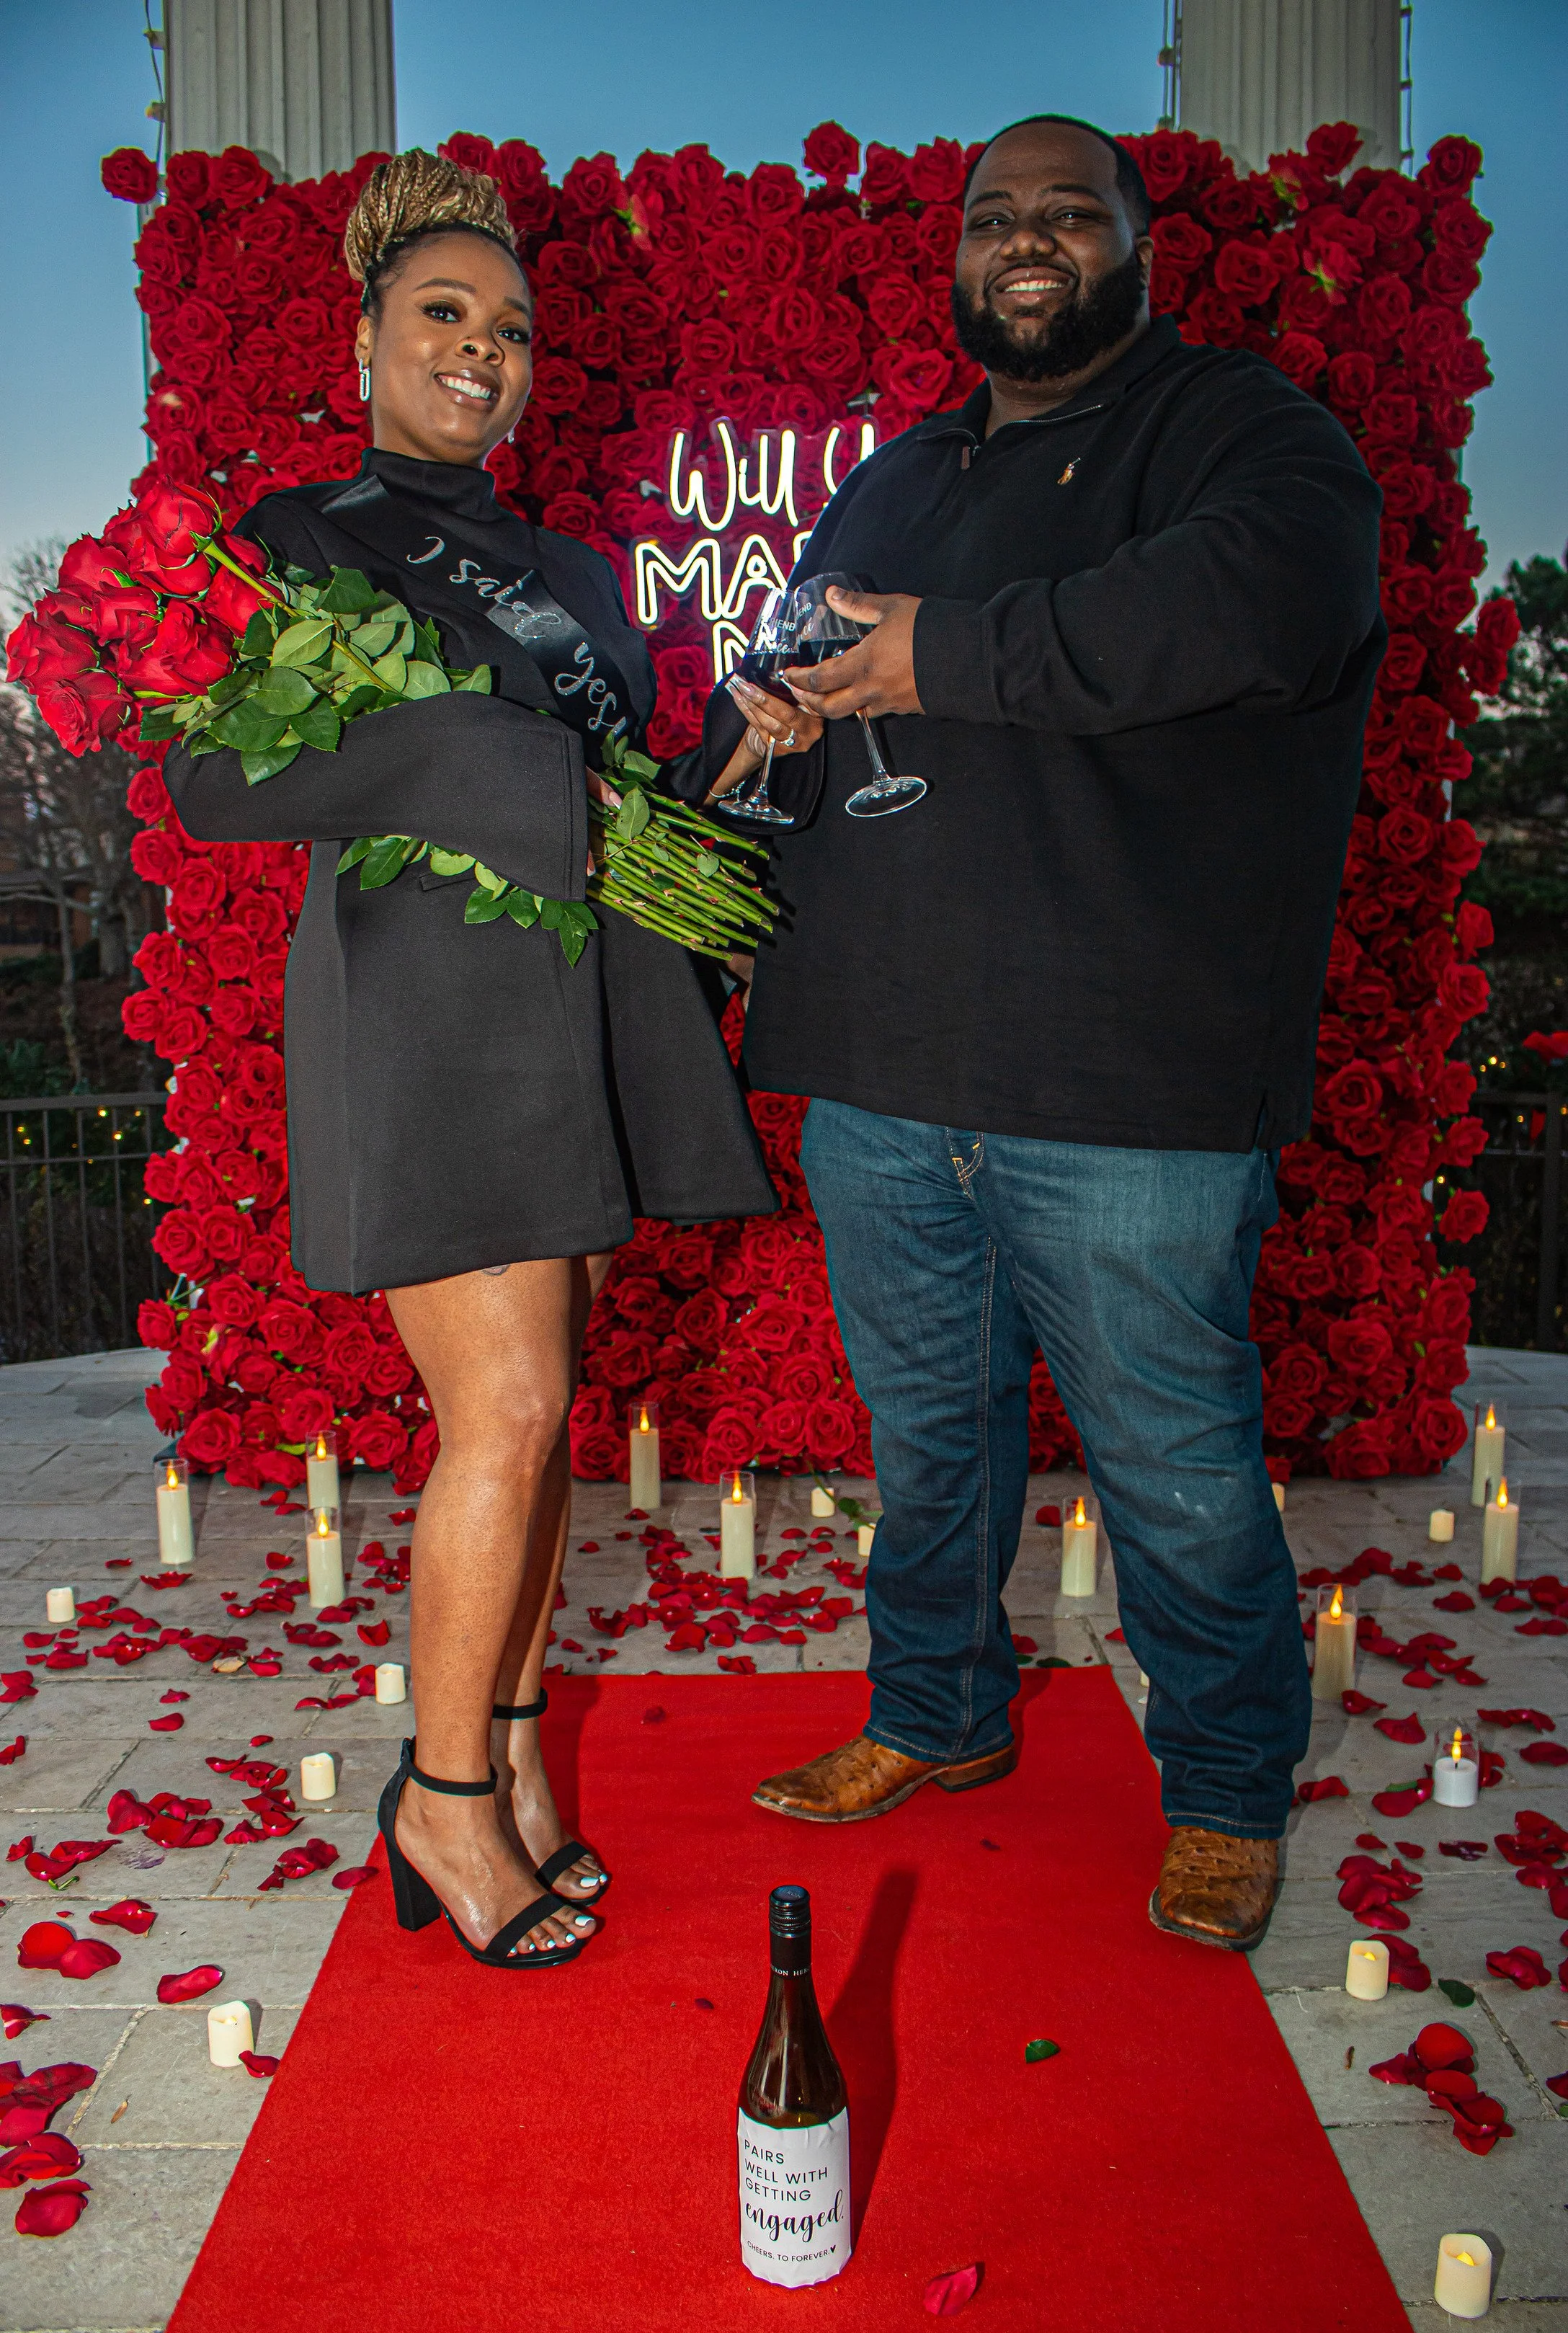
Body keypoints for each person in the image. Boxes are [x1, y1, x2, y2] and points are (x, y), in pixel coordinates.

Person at [729, 115, 1385, 1953]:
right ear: (954, 255)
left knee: (1172, 1470)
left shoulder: (1242, 434)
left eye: (1063, 213)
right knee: (927, 1454)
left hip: (1127, 1086)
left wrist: (940, 654)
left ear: (1134, 243)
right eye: (990, 217)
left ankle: (1227, 1791)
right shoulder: (901, 473)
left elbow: (1257, 603)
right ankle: (933, 1717)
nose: (1024, 240)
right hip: (882, 1069)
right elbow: (813, 657)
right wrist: (768, 725)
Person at [163, 151, 802, 1970]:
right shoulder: (298, 543)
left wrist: (741, 762)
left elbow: (625, 807)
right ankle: (439, 1804)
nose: (482, 349)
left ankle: (511, 1766)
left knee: (544, 1425)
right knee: (505, 1420)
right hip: (433, 1019)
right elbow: (216, 782)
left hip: (585, 1016)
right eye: (442, 315)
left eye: (509, 328)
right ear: (364, 338)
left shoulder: (577, 573)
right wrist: (481, 757)